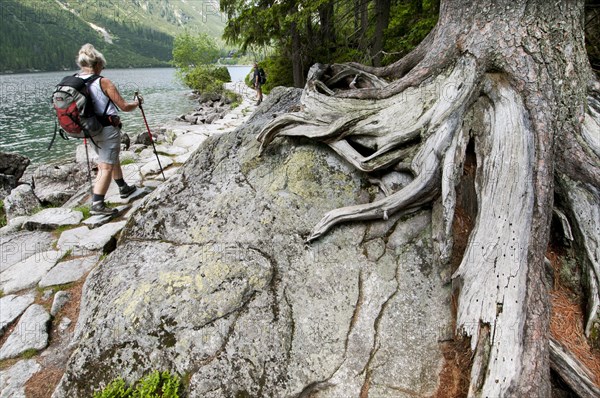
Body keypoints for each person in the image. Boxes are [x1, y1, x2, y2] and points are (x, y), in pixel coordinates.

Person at [75, 43, 142, 215]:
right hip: (107, 128)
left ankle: (123, 187)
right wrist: (137, 103)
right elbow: (124, 106)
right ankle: (97, 204)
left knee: (109, 157)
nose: (103, 68)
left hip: (88, 129)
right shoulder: (103, 82)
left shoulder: (75, 81)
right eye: (102, 66)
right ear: (97, 64)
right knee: (105, 166)